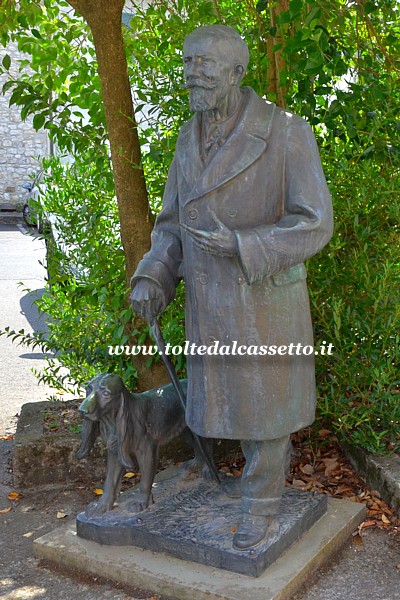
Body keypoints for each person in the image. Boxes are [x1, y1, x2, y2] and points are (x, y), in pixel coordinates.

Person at [131, 24, 333, 550]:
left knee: (266, 409)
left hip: (263, 301)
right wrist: (154, 274)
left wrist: (243, 244)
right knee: (226, 403)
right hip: (209, 301)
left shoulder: (287, 133)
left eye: (204, 65)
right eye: (188, 62)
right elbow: (171, 222)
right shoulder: (187, 135)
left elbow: (314, 223)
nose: (191, 74)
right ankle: (240, 489)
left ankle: (262, 504)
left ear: (238, 73)